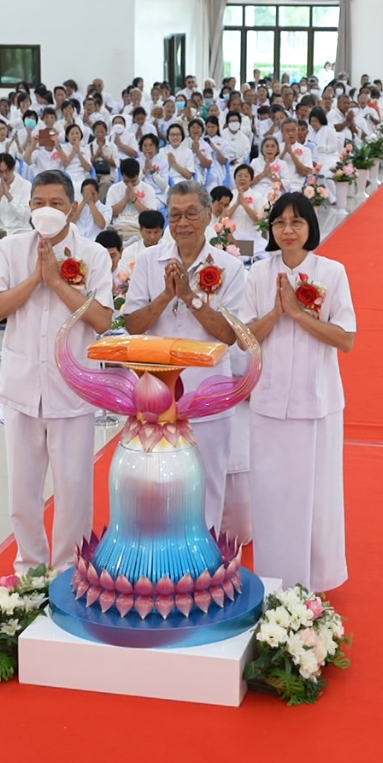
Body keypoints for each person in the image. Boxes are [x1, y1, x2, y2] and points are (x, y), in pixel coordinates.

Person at [0, 169, 114, 573]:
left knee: (73, 490)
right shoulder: (10, 250)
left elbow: (102, 320)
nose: (47, 210)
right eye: (39, 203)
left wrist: (57, 282)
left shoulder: (93, 255)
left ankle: (69, 571)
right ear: (28, 207)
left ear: (73, 208)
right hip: (22, 387)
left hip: (72, 388)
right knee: (22, 490)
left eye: (56, 203)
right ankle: (29, 570)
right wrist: (36, 278)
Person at [243, 191, 355, 592]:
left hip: (317, 400)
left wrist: (297, 314)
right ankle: (273, 580)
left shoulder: (331, 272)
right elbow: (244, 338)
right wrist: (277, 312)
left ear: (311, 226)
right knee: (272, 494)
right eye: (279, 223)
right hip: (269, 401)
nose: (287, 231)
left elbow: (345, 339)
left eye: (297, 222)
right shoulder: (257, 273)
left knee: (317, 493)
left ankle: (318, 578)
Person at [122, 180, 248, 533]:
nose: (182, 223)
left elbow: (228, 334)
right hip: (156, 392)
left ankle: (203, 561)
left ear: (209, 215)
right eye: (174, 214)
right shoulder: (148, 261)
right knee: (156, 481)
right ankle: (160, 558)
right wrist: (166, 295)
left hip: (207, 390)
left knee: (208, 483)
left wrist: (190, 297)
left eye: (191, 213)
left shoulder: (229, 267)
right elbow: (133, 325)